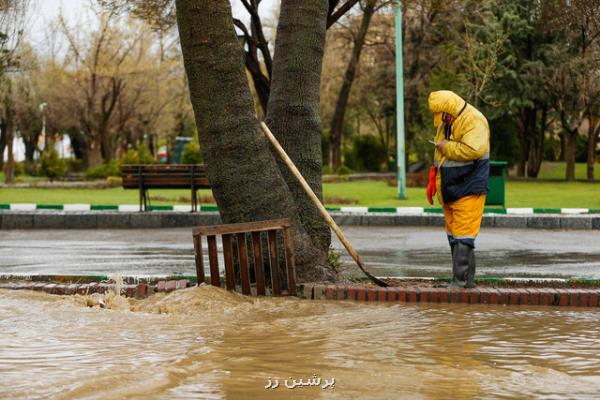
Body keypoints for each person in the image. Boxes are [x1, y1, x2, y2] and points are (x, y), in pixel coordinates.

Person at [426, 90, 490, 288]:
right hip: (450, 188)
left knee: (464, 235)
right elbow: (439, 152)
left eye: (443, 115)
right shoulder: (446, 123)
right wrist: (433, 178)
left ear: (450, 108)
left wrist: (447, 146)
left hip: (469, 187)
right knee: (455, 236)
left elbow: (473, 149)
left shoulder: (474, 119)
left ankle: (459, 282)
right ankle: (464, 282)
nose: (442, 120)